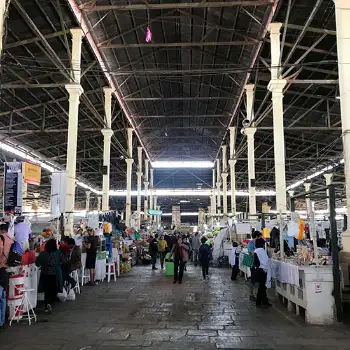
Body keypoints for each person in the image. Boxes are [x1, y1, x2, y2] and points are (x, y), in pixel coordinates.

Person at [36, 239, 62, 313]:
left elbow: (37, 263)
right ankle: (50, 303)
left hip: (45, 274)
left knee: (46, 291)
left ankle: (46, 305)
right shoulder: (57, 253)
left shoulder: (43, 254)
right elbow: (61, 261)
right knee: (53, 289)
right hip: (54, 274)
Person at [253, 237, 272, 308]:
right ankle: (258, 302)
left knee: (262, 287)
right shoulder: (261, 250)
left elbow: (256, 262)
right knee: (261, 287)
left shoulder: (256, 250)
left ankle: (264, 301)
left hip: (260, 270)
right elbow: (264, 261)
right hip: (262, 270)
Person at [247, 231, 262, 301]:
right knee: (253, 280)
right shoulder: (251, 243)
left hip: (258, 264)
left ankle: (259, 295)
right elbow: (252, 253)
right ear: (256, 236)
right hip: (253, 263)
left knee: (259, 280)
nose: (260, 238)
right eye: (260, 236)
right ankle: (251, 295)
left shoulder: (258, 243)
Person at [0, 223, 13, 291]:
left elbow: (0, 248)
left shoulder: (1, 237)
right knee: (4, 288)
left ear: (1, 230)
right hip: (8, 265)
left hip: (1, 265)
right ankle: (4, 301)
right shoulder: (11, 239)